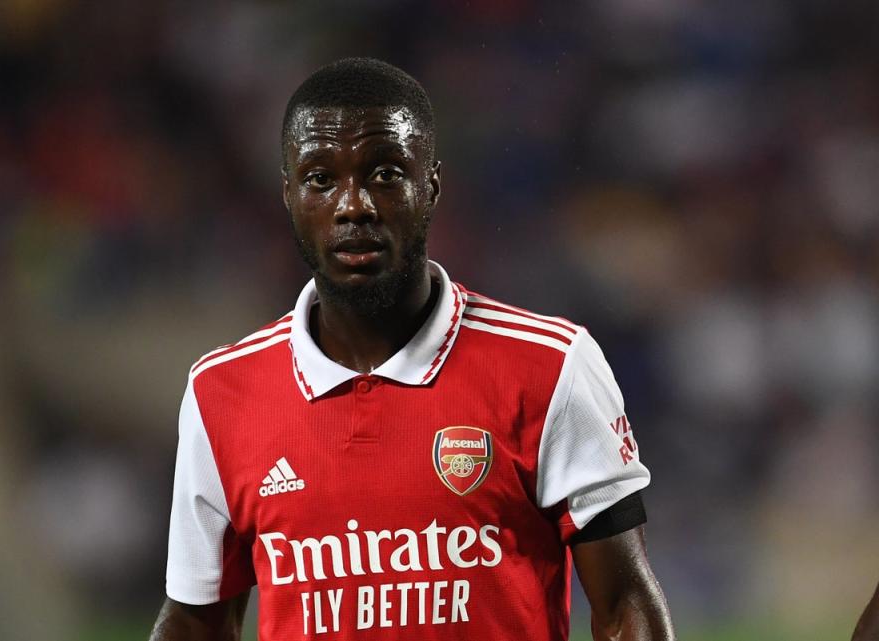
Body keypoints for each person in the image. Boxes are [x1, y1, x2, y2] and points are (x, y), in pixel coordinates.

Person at [149, 57, 675, 641]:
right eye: (321, 178)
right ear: (289, 193)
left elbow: (625, 603)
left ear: (431, 185)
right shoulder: (222, 392)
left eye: (385, 173)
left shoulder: (551, 366)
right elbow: (195, 620)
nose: (355, 205)